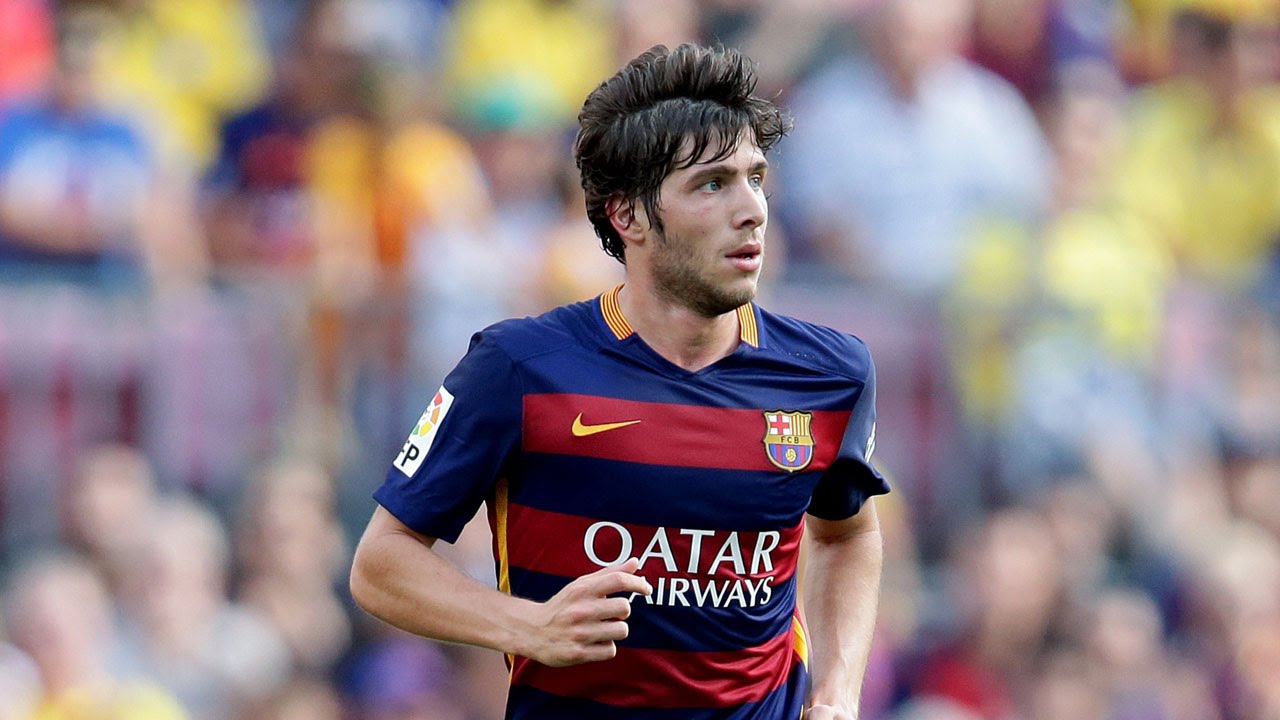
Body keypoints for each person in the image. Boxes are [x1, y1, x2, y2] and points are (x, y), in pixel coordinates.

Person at [350, 43, 888, 719]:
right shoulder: (519, 368)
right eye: (713, 184)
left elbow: (847, 535)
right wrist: (528, 625)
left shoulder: (829, 375)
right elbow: (381, 563)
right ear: (627, 215)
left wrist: (838, 693)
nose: (751, 208)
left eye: (755, 178)